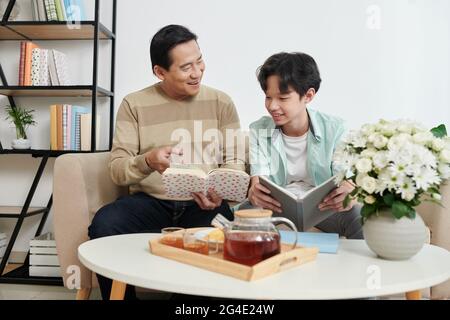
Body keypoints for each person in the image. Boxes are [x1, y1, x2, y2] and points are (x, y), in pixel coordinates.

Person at [88, 24, 246, 300]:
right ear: (160, 72)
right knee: (105, 224)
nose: (197, 72)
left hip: (204, 205)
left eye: (199, 61)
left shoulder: (222, 103)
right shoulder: (134, 104)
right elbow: (117, 168)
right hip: (150, 203)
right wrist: (148, 160)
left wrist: (219, 190)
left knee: (224, 231)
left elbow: (234, 161)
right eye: (186, 67)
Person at [247, 52, 363, 239]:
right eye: (268, 97)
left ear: (308, 95)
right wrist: (255, 193)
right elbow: (258, 180)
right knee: (239, 219)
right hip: (276, 210)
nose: (272, 106)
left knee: (358, 217)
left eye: (283, 98)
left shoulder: (335, 129)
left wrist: (349, 191)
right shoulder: (259, 129)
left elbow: (344, 177)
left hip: (322, 209)